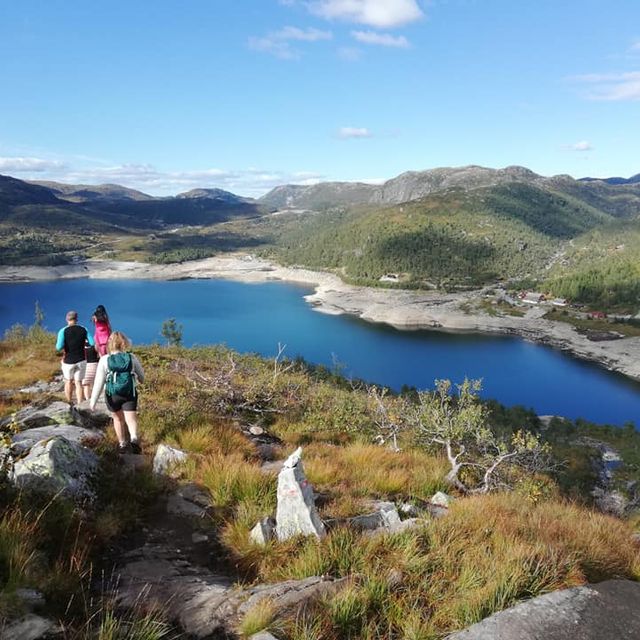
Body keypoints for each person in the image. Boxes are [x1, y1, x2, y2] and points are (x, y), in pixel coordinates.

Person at [90, 331, 145, 454]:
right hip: (129, 392)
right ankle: (134, 438)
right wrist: (139, 380)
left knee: (118, 419)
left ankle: (122, 444)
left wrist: (93, 401)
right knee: (131, 418)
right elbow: (142, 377)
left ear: (109, 344)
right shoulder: (131, 357)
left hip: (112, 394)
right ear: (124, 343)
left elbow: (99, 382)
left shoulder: (104, 359)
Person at [56, 310, 95, 406]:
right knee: (79, 383)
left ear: (67, 319)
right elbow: (92, 343)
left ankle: (69, 403)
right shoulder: (84, 329)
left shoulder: (63, 331)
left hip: (68, 360)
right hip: (81, 360)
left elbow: (58, 347)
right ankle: (80, 404)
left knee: (68, 381)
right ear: (76, 319)